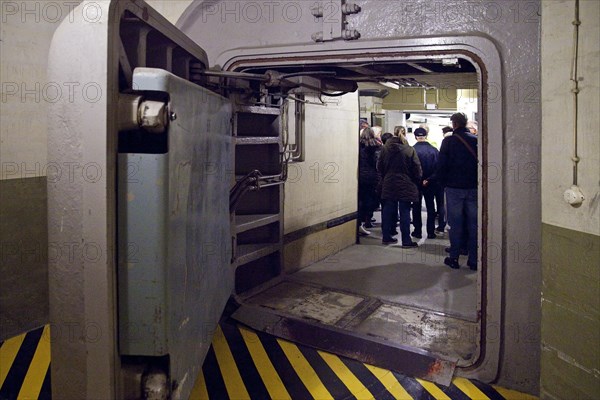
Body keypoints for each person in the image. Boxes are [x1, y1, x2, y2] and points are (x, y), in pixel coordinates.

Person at [425, 112, 478, 270]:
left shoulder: (449, 141)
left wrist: (442, 184)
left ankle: (454, 258)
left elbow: (442, 165)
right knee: (474, 224)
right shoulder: (476, 140)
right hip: (473, 188)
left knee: (455, 224)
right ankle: (474, 259)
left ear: (454, 124)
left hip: (454, 188)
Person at [377, 127, 422, 247]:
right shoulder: (409, 149)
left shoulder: (385, 149)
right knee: (405, 212)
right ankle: (406, 240)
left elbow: (379, 166)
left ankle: (386, 237)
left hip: (389, 183)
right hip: (405, 183)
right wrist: (415, 180)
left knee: (387, 211)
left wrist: (386, 176)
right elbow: (417, 169)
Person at [411, 127, 439, 239]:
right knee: (430, 207)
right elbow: (438, 168)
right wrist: (428, 179)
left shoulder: (412, 150)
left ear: (415, 136)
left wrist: (418, 179)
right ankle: (431, 232)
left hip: (416, 182)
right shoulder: (434, 150)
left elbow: (410, 168)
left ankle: (417, 231)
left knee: (416, 207)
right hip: (430, 183)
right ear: (426, 136)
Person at [358, 128, 382, 235]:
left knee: (361, 200)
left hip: (360, 177)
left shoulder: (357, 146)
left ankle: (360, 222)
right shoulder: (377, 147)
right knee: (372, 200)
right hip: (373, 178)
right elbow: (379, 164)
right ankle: (367, 219)